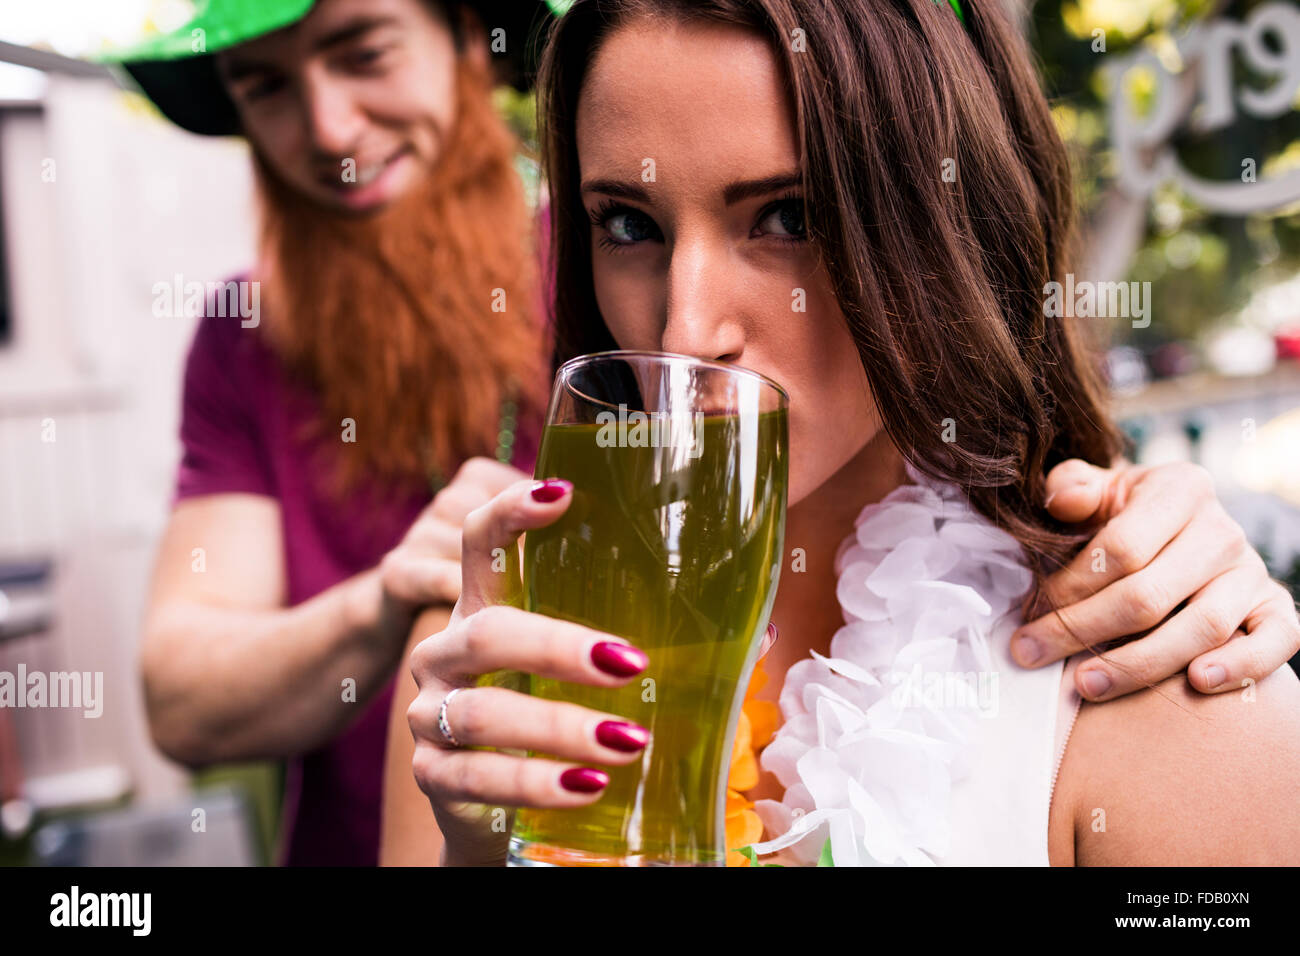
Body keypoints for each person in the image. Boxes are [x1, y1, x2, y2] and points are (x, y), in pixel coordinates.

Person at [402, 0, 1300, 866]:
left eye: (791, 216)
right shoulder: (502, 648)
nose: (686, 332)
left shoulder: (1165, 686)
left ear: (950, 224)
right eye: (629, 224)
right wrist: (479, 854)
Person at [104, 0, 560, 865]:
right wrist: (389, 597)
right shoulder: (243, 341)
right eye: (265, 86)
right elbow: (182, 695)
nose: (327, 127)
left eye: (364, 53)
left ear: (468, 37)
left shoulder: (614, 263)